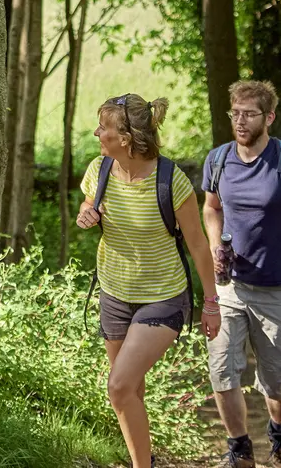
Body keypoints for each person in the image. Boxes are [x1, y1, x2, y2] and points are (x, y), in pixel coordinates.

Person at [76, 93, 220, 468]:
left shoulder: (171, 181)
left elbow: (198, 246)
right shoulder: (99, 169)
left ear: (125, 138)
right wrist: (88, 212)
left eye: (103, 128)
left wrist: (211, 303)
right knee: (130, 391)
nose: (96, 133)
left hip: (163, 297)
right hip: (114, 294)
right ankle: (145, 460)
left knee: (118, 386)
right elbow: (89, 202)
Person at [202, 79, 281, 468]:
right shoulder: (218, 160)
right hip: (229, 286)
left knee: (276, 380)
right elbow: (211, 207)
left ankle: (279, 434)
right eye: (235, 113)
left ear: (269, 117)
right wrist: (215, 247)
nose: (240, 121)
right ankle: (240, 450)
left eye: (249, 114)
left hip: (277, 287)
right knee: (222, 370)